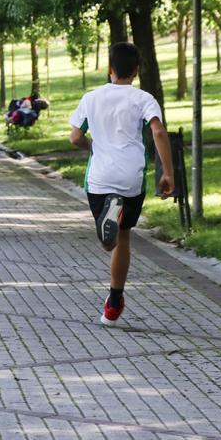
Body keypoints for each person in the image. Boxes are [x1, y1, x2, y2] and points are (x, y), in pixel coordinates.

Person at [69, 42, 174, 326]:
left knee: (110, 240)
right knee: (125, 236)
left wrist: (91, 146)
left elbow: (75, 137)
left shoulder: (91, 98)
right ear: (137, 71)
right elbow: (159, 133)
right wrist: (168, 173)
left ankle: (107, 231)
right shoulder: (144, 99)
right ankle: (114, 301)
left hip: (100, 179)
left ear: (109, 69)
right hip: (131, 178)